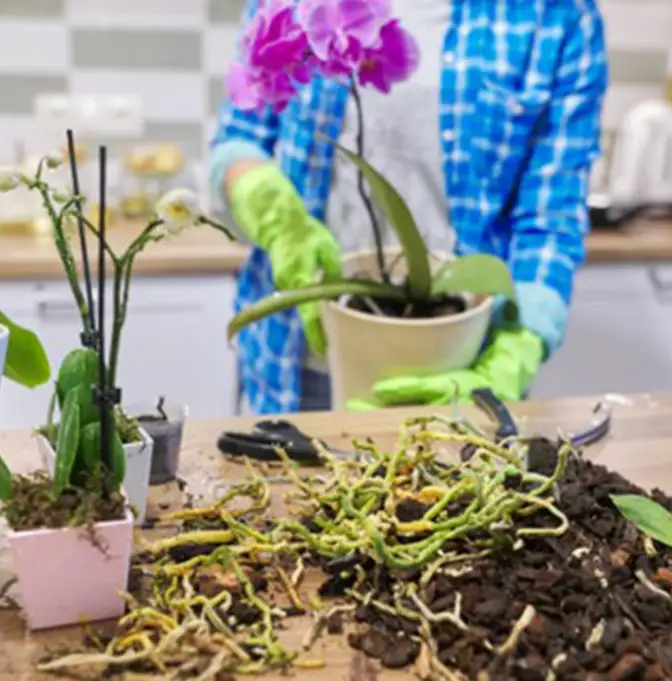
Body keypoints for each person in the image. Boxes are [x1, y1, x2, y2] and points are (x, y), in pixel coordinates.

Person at [209, 0, 608, 415]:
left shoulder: (557, 14)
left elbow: (550, 214)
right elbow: (239, 137)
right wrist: (272, 210)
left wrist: (516, 351)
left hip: (459, 361)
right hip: (295, 356)